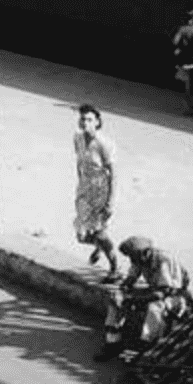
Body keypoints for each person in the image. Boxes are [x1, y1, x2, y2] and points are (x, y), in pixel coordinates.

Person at [94, 236, 193, 362]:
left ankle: (147, 346)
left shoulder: (163, 260)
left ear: (145, 253)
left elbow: (163, 292)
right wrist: (122, 291)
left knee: (154, 308)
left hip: (175, 295)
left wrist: (134, 299)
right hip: (156, 290)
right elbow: (131, 278)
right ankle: (113, 343)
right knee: (115, 300)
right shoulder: (138, 259)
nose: (131, 260)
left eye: (132, 257)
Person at [73, 104, 119, 281]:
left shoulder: (104, 144)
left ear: (97, 122)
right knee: (81, 235)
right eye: (83, 119)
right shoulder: (77, 138)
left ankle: (114, 266)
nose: (85, 123)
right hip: (85, 188)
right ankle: (100, 247)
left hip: (101, 189)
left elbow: (114, 174)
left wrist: (110, 202)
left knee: (100, 232)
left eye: (89, 119)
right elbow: (79, 162)